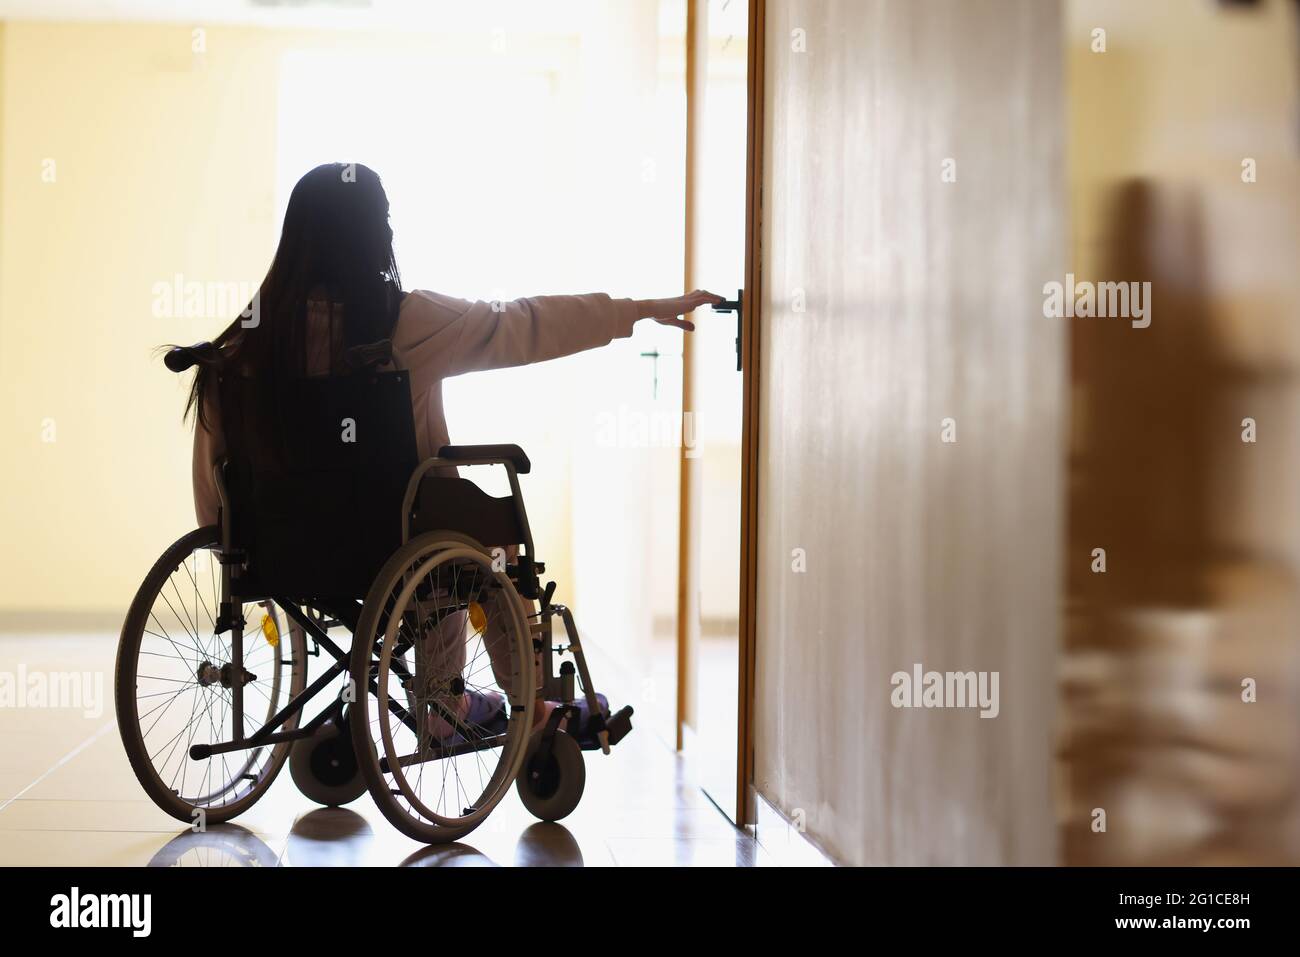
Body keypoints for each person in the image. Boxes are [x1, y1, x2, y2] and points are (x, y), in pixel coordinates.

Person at [185, 162, 721, 739]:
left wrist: (232, 546)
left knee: (440, 526)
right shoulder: (408, 322)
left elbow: (215, 476)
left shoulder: (243, 346)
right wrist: (631, 310)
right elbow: (523, 324)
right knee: (482, 538)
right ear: (377, 235)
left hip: (280, 553)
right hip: (396, 544)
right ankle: (519, 709)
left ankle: (440, 704)